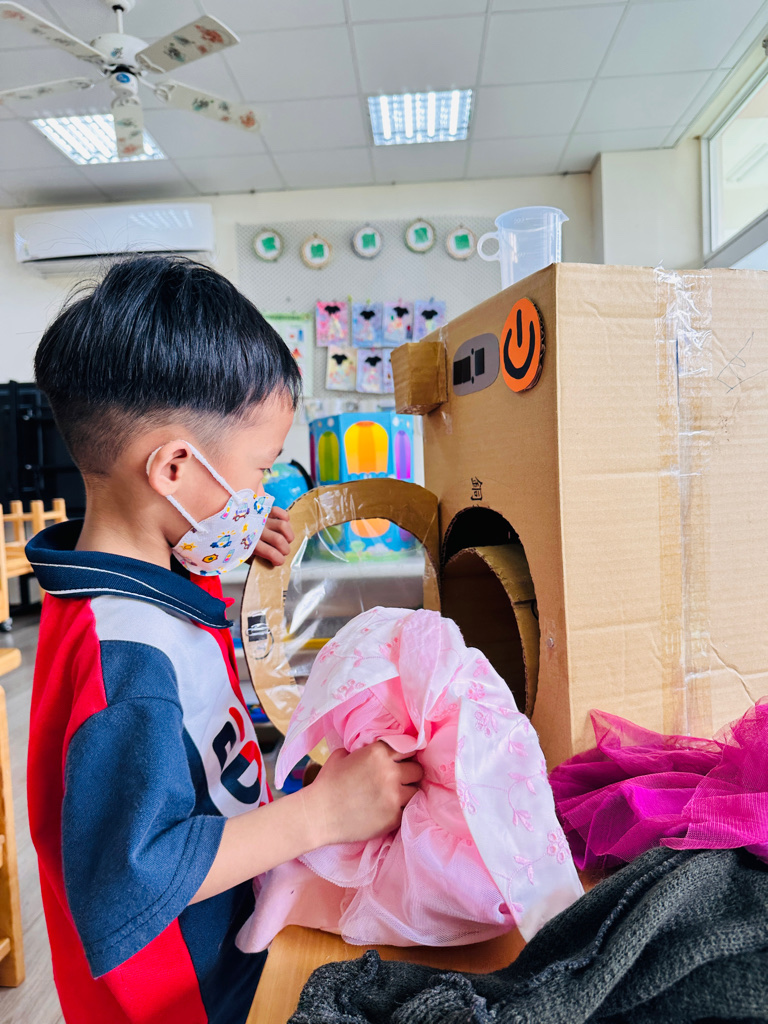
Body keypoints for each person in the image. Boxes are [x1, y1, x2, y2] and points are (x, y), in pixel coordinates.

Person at [25, 256, 423, 1024]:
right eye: (260, 469)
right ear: (175, 467)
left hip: (234, 934)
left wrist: (225, 537)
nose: (263, 495)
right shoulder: (127, 657)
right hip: (187, 998)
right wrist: (323, 814)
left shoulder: (141, 572)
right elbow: (128, 881)